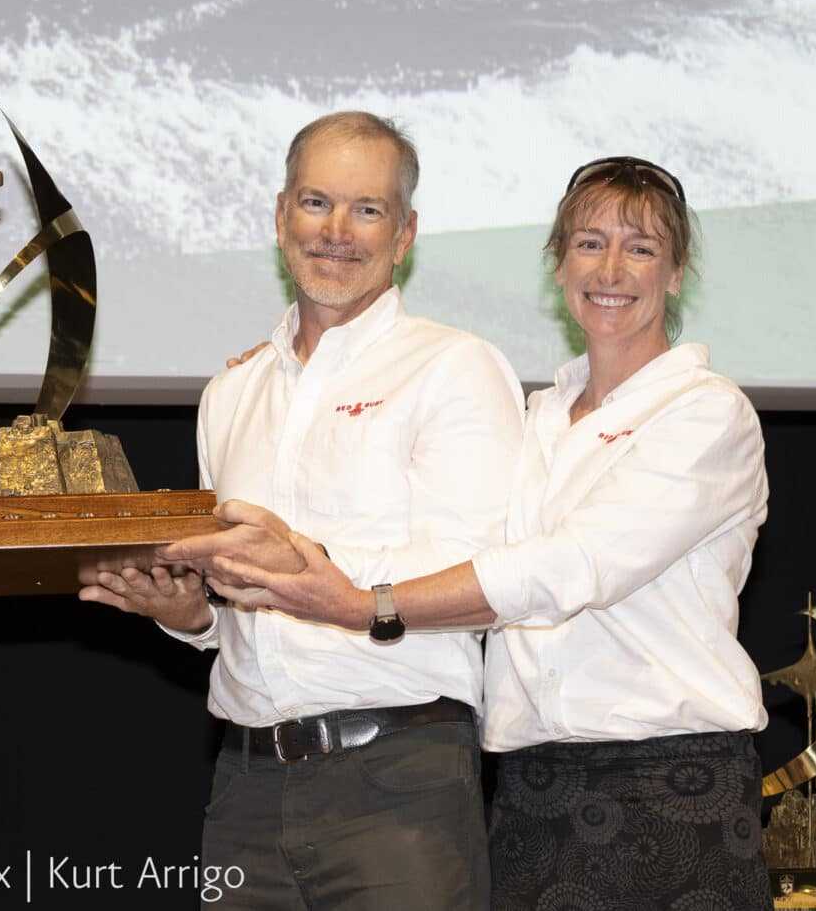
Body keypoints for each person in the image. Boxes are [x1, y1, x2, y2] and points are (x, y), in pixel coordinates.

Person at [166, 156, 771, 908]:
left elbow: (571, 567)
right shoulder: (535, 419)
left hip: (670, 776)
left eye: (641, 248)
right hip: (529, 787)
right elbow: (463, 550)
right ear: (558, 264)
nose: (611, 268)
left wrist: (364, 604)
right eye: (588, 243)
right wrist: (282, 382)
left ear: (676, 273)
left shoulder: (707, 413)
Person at [80, 111, 524, 910]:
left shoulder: (454, 368)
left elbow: (489, 575)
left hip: (400, 780)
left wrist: (312, 565)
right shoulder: (231, 394)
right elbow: (236, 614)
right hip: (244, 786)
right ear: (280, 214)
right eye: (317, 202)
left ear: (406, 232)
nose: (337, 231)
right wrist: (190, 616)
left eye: (368, 209)